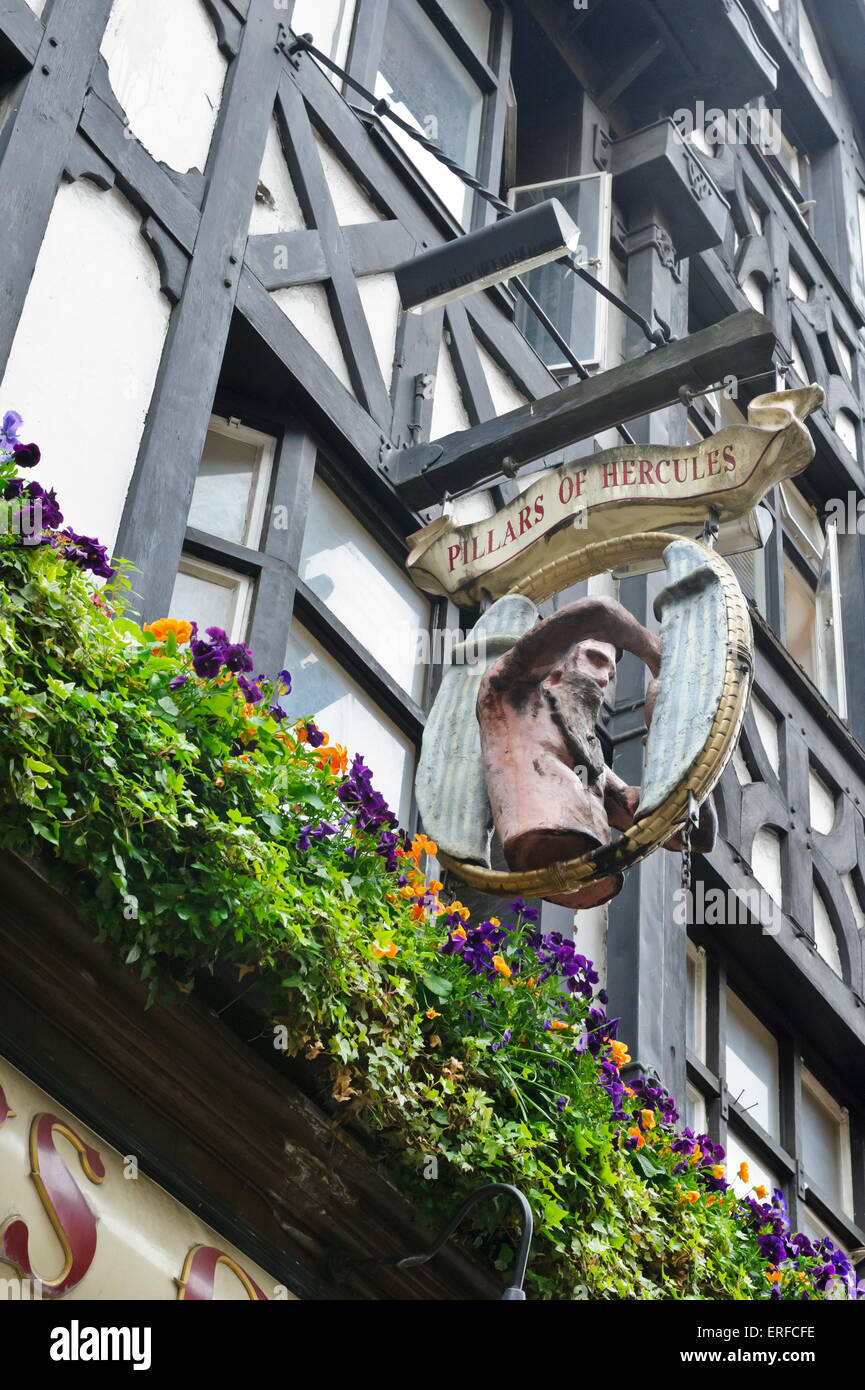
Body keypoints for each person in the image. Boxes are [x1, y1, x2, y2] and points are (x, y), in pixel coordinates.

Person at [476, 595, 714, 909]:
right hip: (534, 839)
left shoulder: (593, 769)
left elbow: (694, 836)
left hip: (589, 870)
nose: (604, 679)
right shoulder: (509, 695)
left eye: (611, 675)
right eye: (596, 661)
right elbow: (596, 611)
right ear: (554, 665)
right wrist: (656, 654)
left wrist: (670, 736)